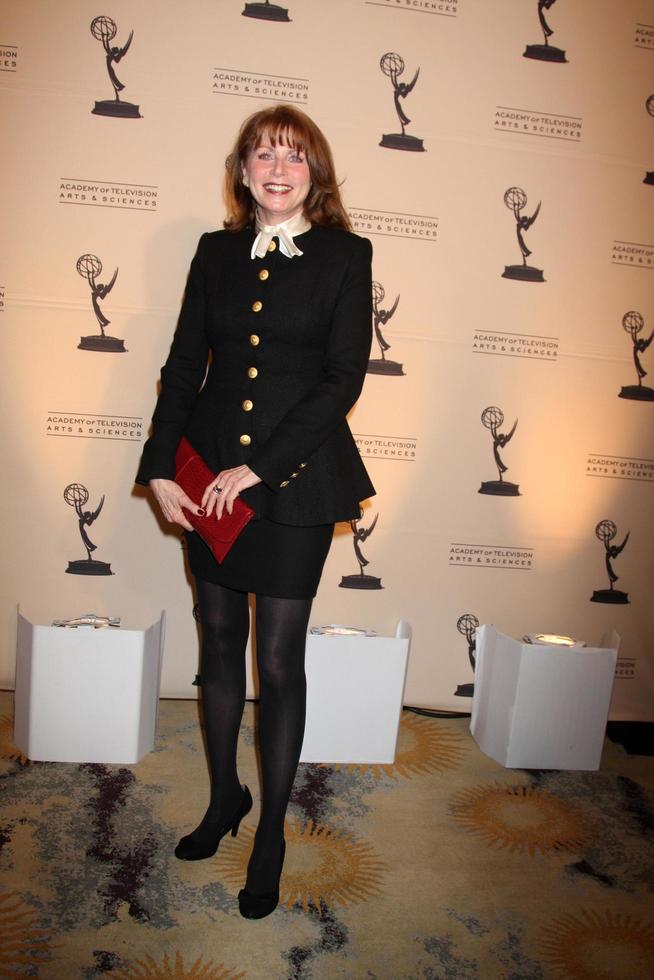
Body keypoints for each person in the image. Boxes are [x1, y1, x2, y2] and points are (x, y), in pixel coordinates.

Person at [135, 105, 375, 919]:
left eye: (295, 156)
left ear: (317, 172)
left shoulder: (347, 255)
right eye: (263, 154)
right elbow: (180, 365)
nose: (279, 168)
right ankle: (224, 798)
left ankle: (270, 828)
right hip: (205, 481)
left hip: (295, 484)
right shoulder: (215, 252)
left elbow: (342, 380)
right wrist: (161, 463)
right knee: (217, 645)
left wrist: (259, 469)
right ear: (241, 170)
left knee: (277, 664)